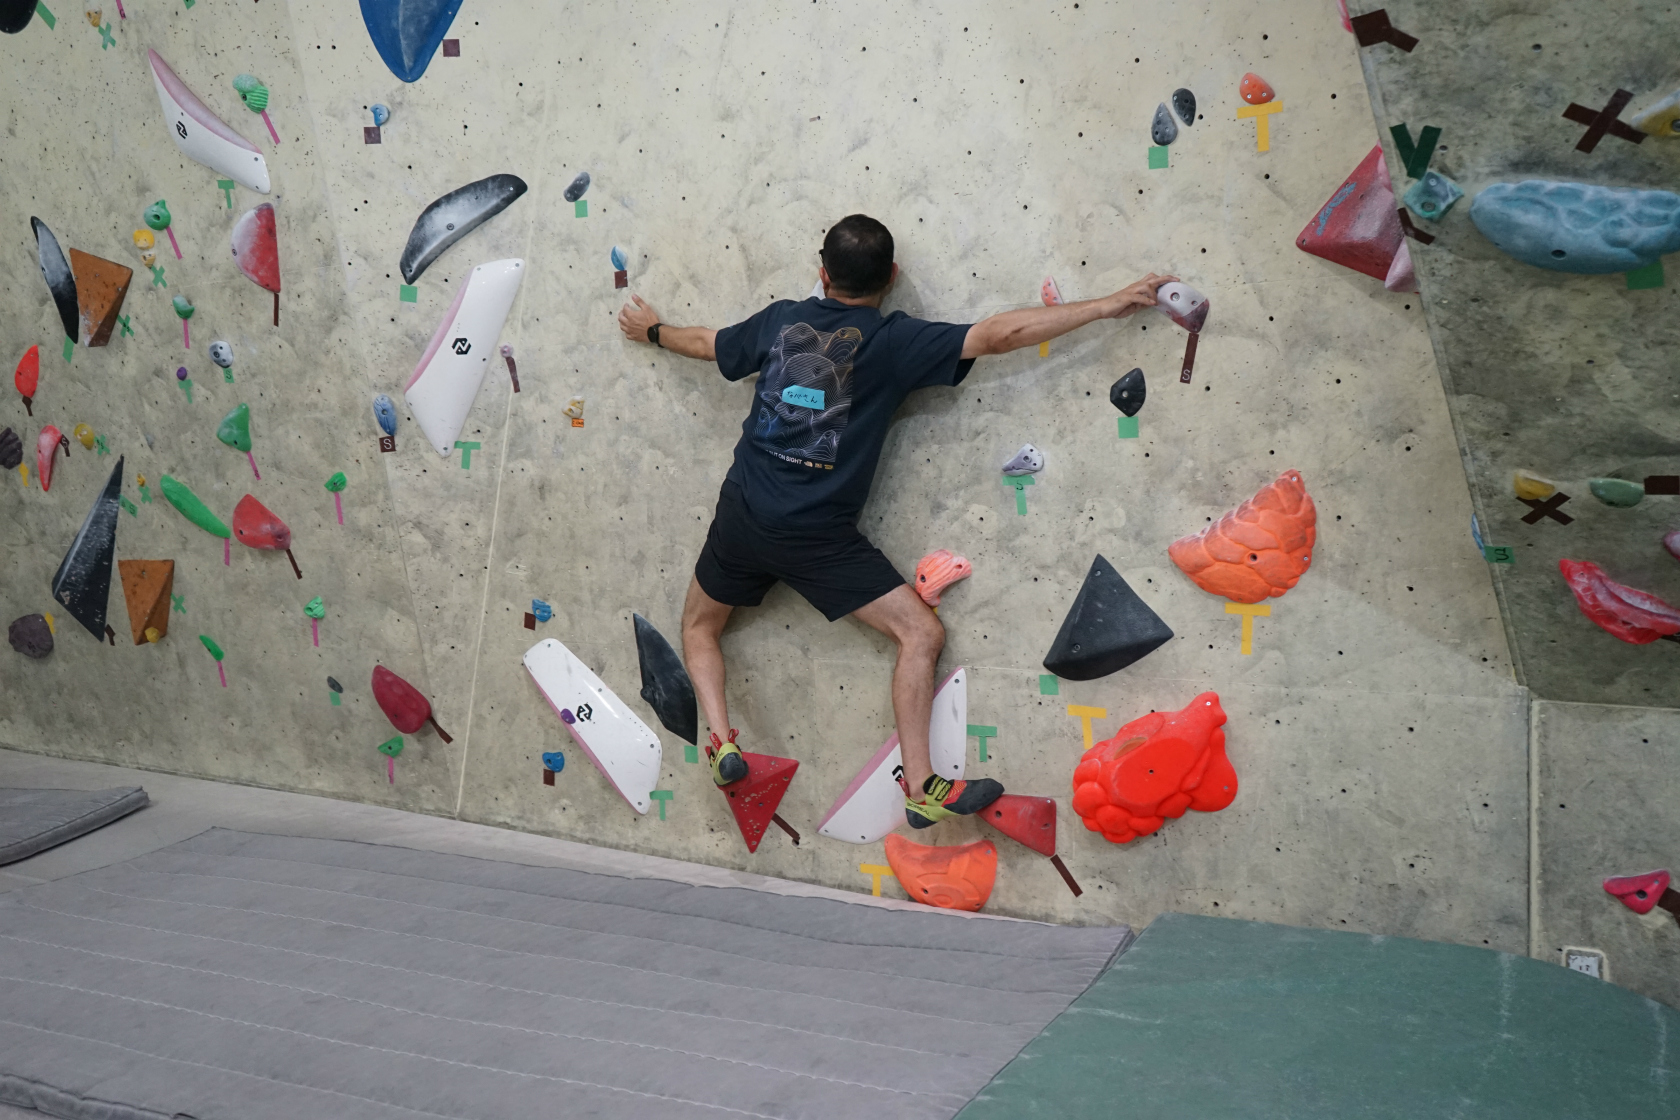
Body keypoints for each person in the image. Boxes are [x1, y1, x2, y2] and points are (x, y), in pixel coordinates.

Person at [617, 214, 1172, 829]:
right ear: (893, 276)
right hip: (817, 539)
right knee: (920, 635)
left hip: (743, 516)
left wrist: (653, 330)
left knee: (699, 626)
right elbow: (1000, 334)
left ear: (822, 272)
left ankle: (722, 742)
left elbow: (706, 342)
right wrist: (1107, 304)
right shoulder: (892, 340)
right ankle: (922, 786)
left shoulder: (779, 322)